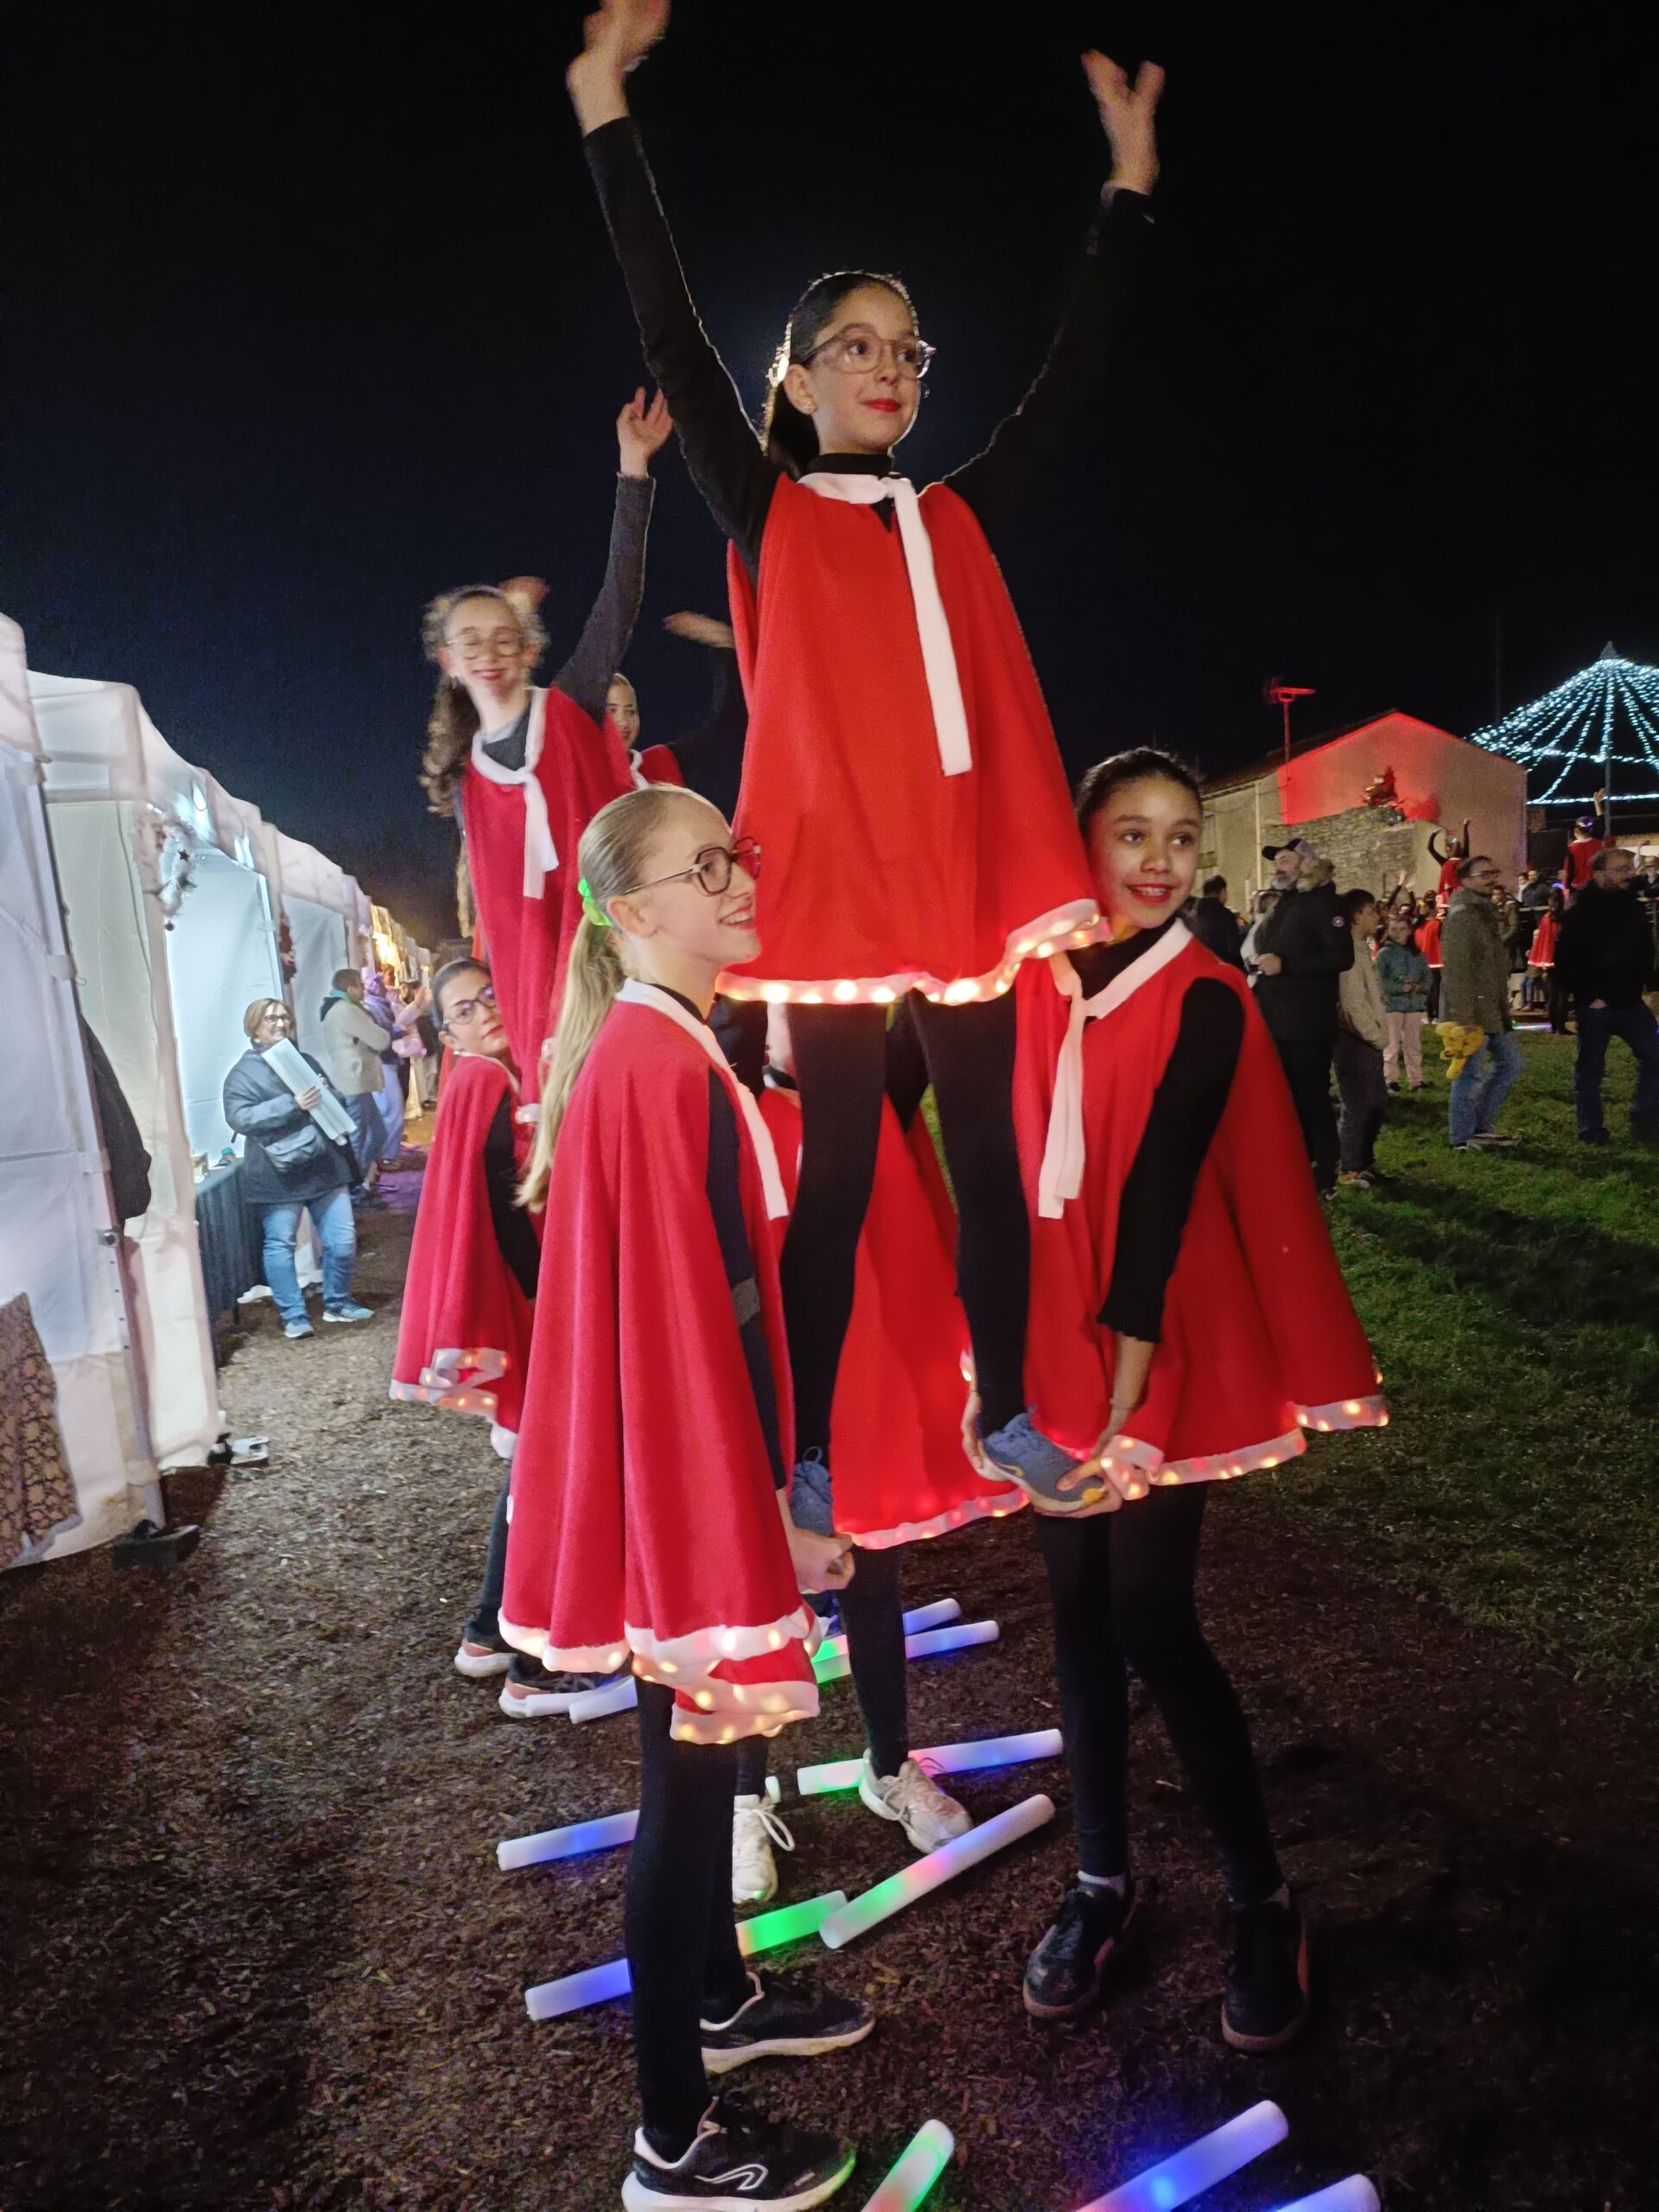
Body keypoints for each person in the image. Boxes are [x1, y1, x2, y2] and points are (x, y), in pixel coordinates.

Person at [566, 0, 1163, 1529]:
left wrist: (1128, 186)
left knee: (989, 1155)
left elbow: (1074, 378)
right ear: (797, 378)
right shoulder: (769, 509)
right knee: (835, 1175)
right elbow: (668, 325)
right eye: (856, 346)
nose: (889, 369)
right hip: (834, 886)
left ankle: (1004, 1411)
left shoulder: (953, 515)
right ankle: (811, 1450)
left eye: (908, 351)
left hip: (960, 886)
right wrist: (604, 106)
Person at [501, 784, 871, 2209]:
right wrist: (769, 1508)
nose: (737, 879)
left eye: (736, 854)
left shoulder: (657, 1047)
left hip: (677, 1474)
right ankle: (673, 2142)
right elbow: (711, 1315)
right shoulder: (658, 1063)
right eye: (703, 865)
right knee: (686, 1784)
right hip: (688, 1486)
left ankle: (718, 2000)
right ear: (626, 908)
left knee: (696, 1764)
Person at [994, 747, 1382, 2050]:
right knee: (1076, 1615)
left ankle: (1261, 1896)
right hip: (1061, 1340)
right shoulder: (1032, 981)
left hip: (1162, 1341)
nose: (1158, 861)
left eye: (1178, 836)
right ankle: (1101, 1880)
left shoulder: (1208, 993)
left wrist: (1130, 1362)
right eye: (1131, 834)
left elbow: (1161, 1183)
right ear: (1082, 843)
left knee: (1151, 1616)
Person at [750, 1005, 1024, 1883]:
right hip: (776, 1399)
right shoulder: (740, 1111)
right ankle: (743, 1794)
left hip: (867, 1393)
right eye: (796, 1008)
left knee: (872, 1575)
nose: (820, 1024)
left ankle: (889, 1762)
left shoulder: (876, 1102)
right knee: (760, 1590)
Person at [420, 387, 673, 1095]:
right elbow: (497, 911)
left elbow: (619, 600)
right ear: (448, 662)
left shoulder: (568, 707)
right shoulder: (469, 780)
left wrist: (633, 472)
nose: (490, 654)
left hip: (617, 948)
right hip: (539, 987)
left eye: (505, 638)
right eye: (471, 642)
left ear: (529, 651)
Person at [223, 1000, 370, 1338]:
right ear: (254, 1027)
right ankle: (294, 1316)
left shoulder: (303, 1060)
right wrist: (293, 1104)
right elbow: (239, 1117)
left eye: (284, 1016)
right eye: (271, 1018)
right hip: (278, 1172)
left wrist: (327, 1093)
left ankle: (338, 1303)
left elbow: (335, 1101)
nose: (280, 1022)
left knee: (342, 1240)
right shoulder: (242, 1074)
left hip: (324, 1165)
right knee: (280, 1244)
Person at [1250, 849, 1354, 1198]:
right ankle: (1297, 1164)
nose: (1277, 866)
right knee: (1286, 1098)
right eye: (1276, 861)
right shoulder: (1287, 901)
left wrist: (1287, 966)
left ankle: (1324, 1172)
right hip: (1277, 1020)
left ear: (1306, 862)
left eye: (1285, 859)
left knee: (1311, 1097)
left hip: (1307, 1023)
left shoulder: (1325, 903)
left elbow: (1341, 957)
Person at [1553, 845, 1659, 1146]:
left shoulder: (1631, 906)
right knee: (1591, 1069)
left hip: (1629, 1000)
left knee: (1654, 1056)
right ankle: (1590, 1128)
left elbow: (1643, 950)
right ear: (1599, 874)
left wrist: (1649, 983)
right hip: (1597, 1004)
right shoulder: (1581, 911)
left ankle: (1645, 1116)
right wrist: (1589, 996)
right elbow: (1565, 960)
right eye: (1621, 869)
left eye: (1630, 868)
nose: (1629, 874)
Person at [604, 613, 747, 811]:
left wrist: (725, 641)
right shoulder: (582, 778)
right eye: (612, 711)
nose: (623, 721)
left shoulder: (660, 762)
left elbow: (724, 726)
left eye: (631, 711)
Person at [1440, 855, 1523, 1154]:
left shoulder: (1484, 913)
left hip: (1492, 1009)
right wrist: (1464, 1019)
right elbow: (1457, 971)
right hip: (1472, 1013)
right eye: (1484, 874)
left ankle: (1480, 1125)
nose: (1492, 879)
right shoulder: (1462, 917)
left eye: (1493, 872)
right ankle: (1461, 1137)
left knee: (1511, 1065)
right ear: (1465, 881)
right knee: (1469, 1074)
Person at [320, 969, 392, 1203]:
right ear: (350, 989)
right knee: (359, 1138)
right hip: (354, 1082)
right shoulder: (347, 1010)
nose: (363, 989)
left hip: (354, 1081)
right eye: (360, 985)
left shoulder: (336, 1009)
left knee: (375, 1133)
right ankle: (355, 1187)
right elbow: (380, 1039)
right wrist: (381, 1032)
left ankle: (359, 1181)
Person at [1334, 890, 1389, 1186]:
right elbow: (1353, 1004)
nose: (1376, 917)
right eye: (1371, 912)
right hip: (1355, 1040)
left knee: (1375, 1102)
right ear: (1356, 917)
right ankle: (1350, 1167)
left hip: (1367, 1037)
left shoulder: (1360, 949)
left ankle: (1364, 1161)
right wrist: (1375, 1036)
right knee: (1359, 1104)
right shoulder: (1348, 955)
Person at [1376, 909, 1429, 1090]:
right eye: (1393, 929)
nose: (1397, 933)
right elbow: (1378, 980)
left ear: (1409, 931)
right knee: (1391, 1045)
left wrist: (1420, 988)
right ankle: (1390, 1080)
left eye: (1401, 929)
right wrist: (1399, 988)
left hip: (1414, 1004)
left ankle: (1416, 1080)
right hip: (1392, 1005)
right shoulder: (1385, 954)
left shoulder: (1417, 955)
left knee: (1413, 1045)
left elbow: (1427, 976)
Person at [1528, 887, 1568, 1032]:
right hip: (1564, 960)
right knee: (1562, 994)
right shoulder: (1565, 917)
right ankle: (1560, 1028)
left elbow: (1544, 942)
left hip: (1549, 961)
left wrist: (1544, 963)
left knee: (1552, 995)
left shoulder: (1546, 918)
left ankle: (1554, 1026)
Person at [1186, 874, 1244, 968]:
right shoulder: (1225, 915)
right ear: (1223, 891)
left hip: (1198, 968)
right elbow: (1233, 949)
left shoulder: (1192, 914)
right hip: (1221, 969)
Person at [1565, 794, 1614, 894]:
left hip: (1579, 889)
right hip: (1598, 887)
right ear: (1591, 830)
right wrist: (1597, 803)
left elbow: (1568, 872)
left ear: (1576, 831)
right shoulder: (1597, 843)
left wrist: (1567, 888)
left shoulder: (1570, 849)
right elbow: (1601, 824)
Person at [1420, 901, 1445, 1022]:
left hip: (1423, 960)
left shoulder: (1419, 924)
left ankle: (1429, 1015)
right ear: (1431, 909)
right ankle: (1436, 1015)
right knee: (1437, 989)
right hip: (1436, 960)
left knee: (1428, 989)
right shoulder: (1437, 924)